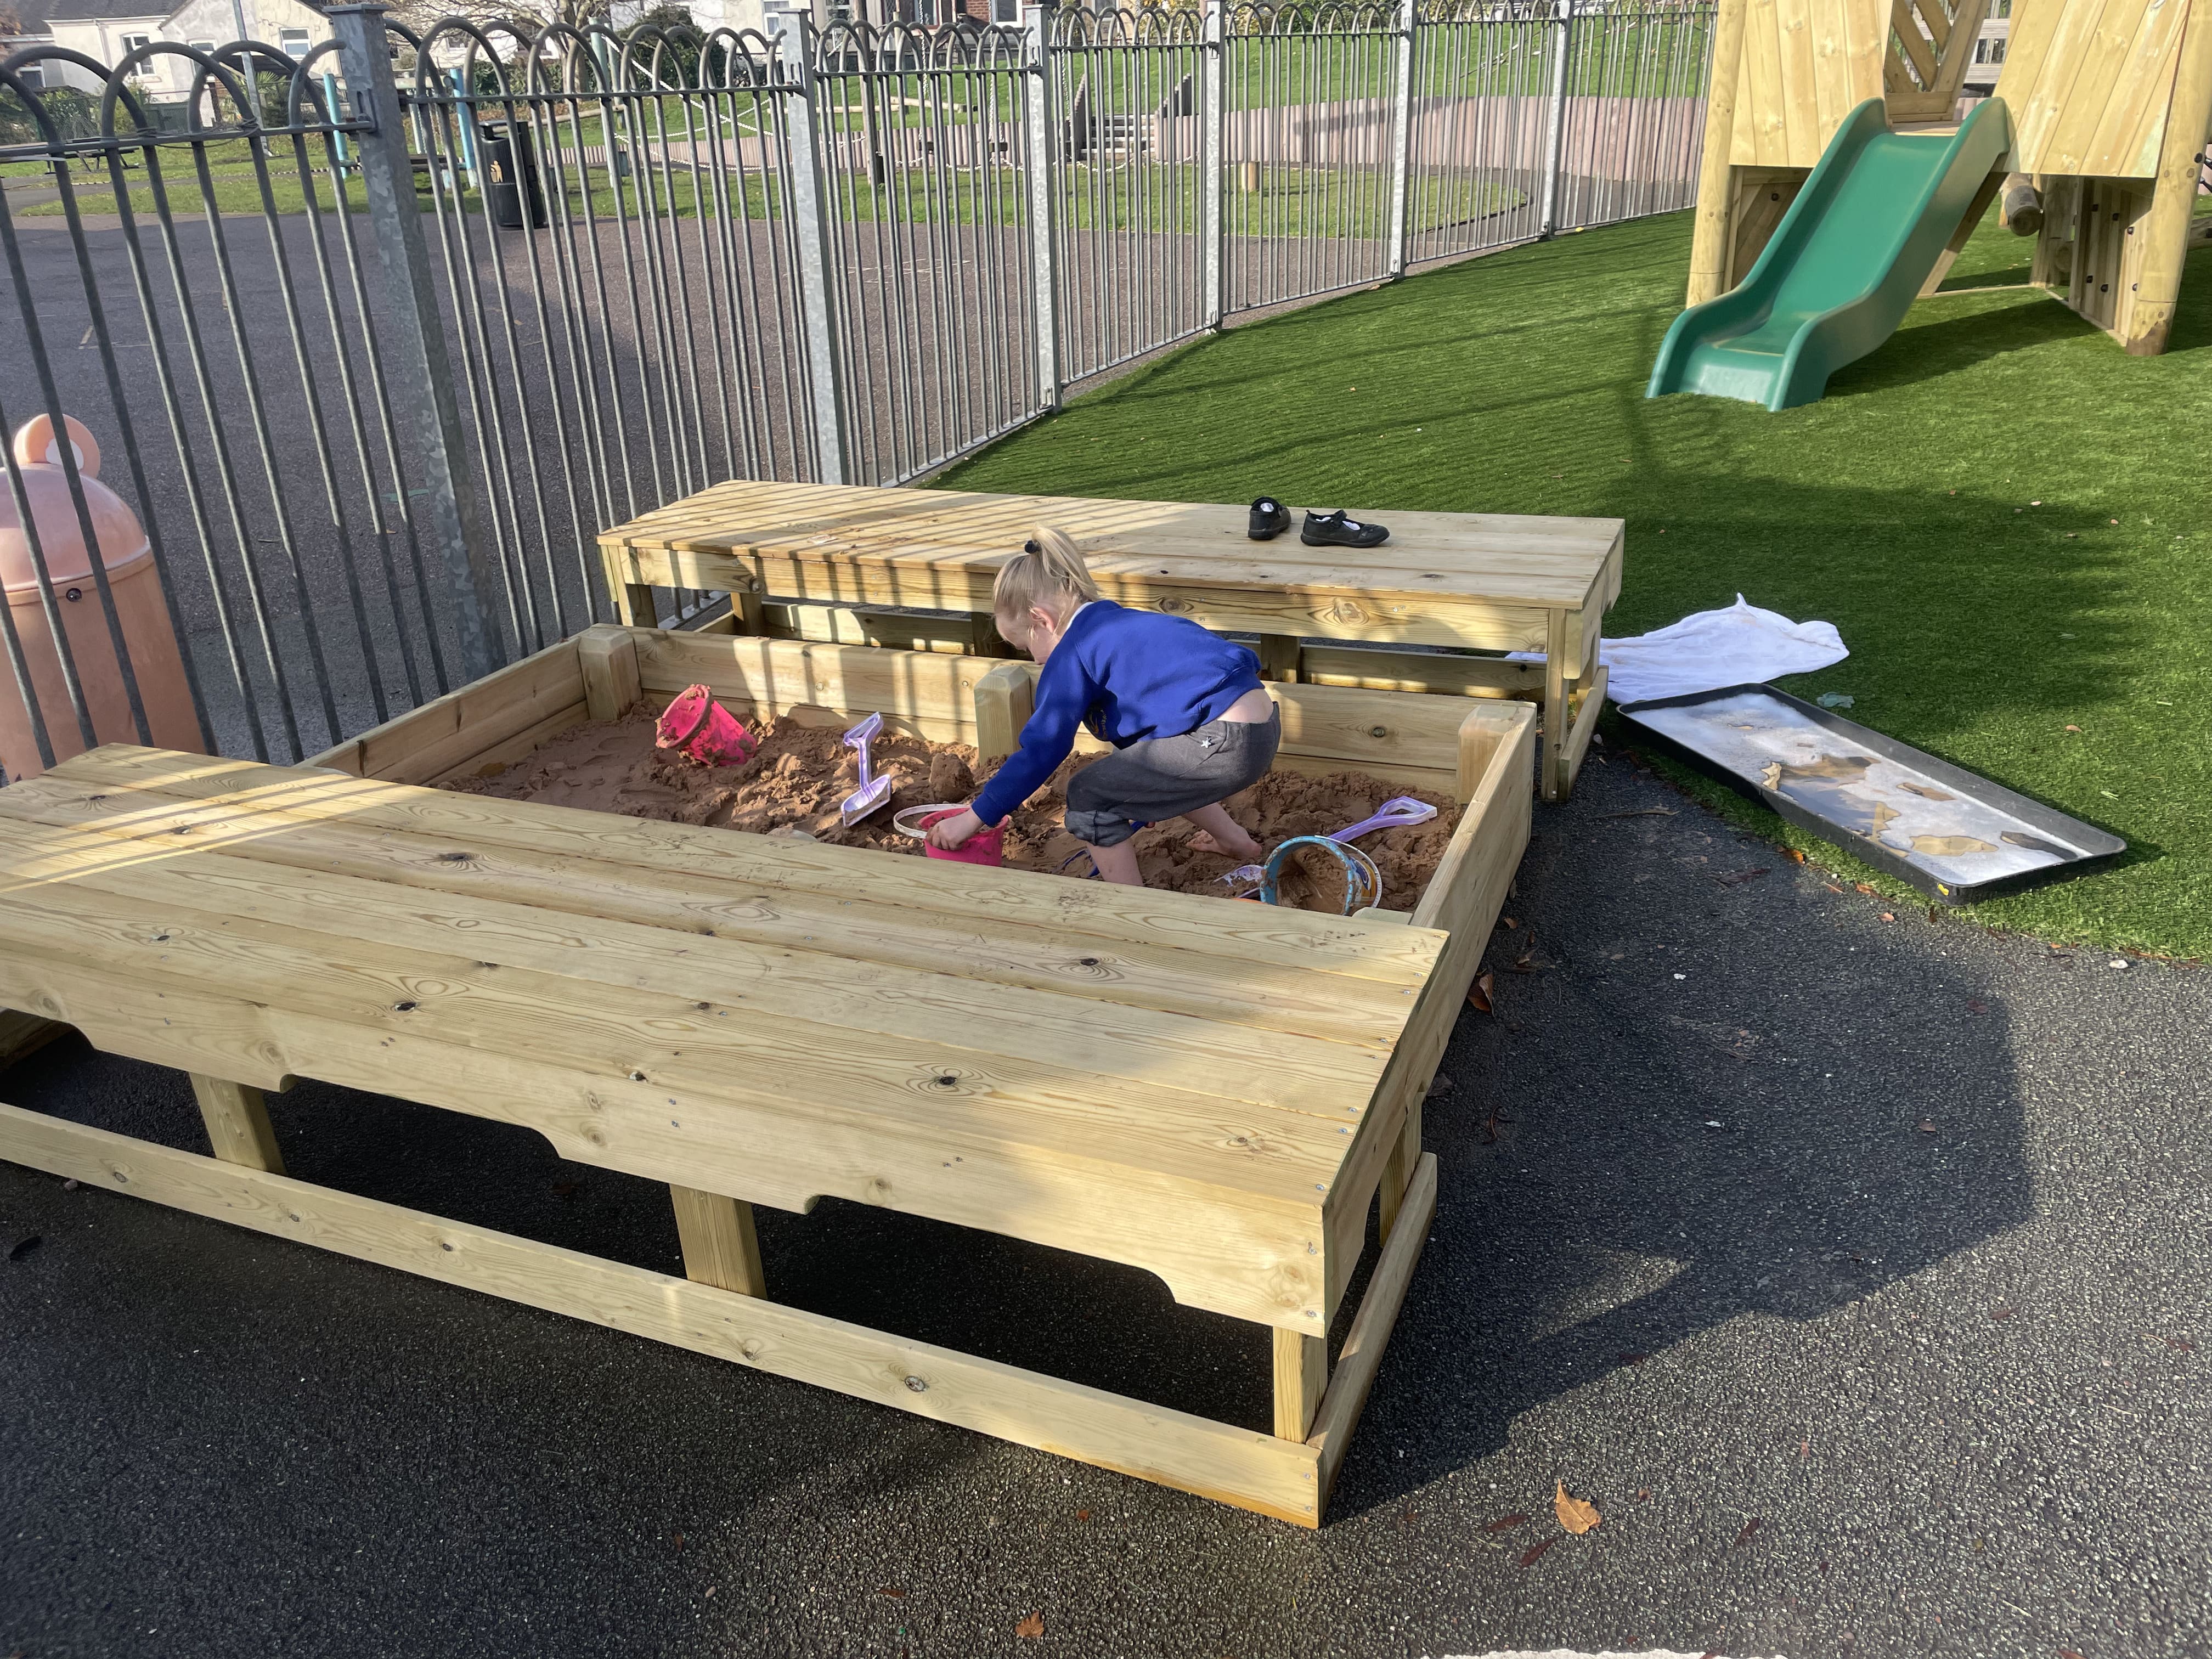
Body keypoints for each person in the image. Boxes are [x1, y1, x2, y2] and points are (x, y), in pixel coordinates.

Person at [926, 526, 1278, 886]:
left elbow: (1043, 750)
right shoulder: (1115, 624)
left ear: (1041, 620)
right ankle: (1235, 842)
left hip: (1225, 741)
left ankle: (1128, 904)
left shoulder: (1073, 651)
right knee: (1146, 766)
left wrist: (974, 817)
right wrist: (1137, 796)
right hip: (1256, 726)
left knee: (1089, 796)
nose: (1034, 661)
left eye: (1025, 646)